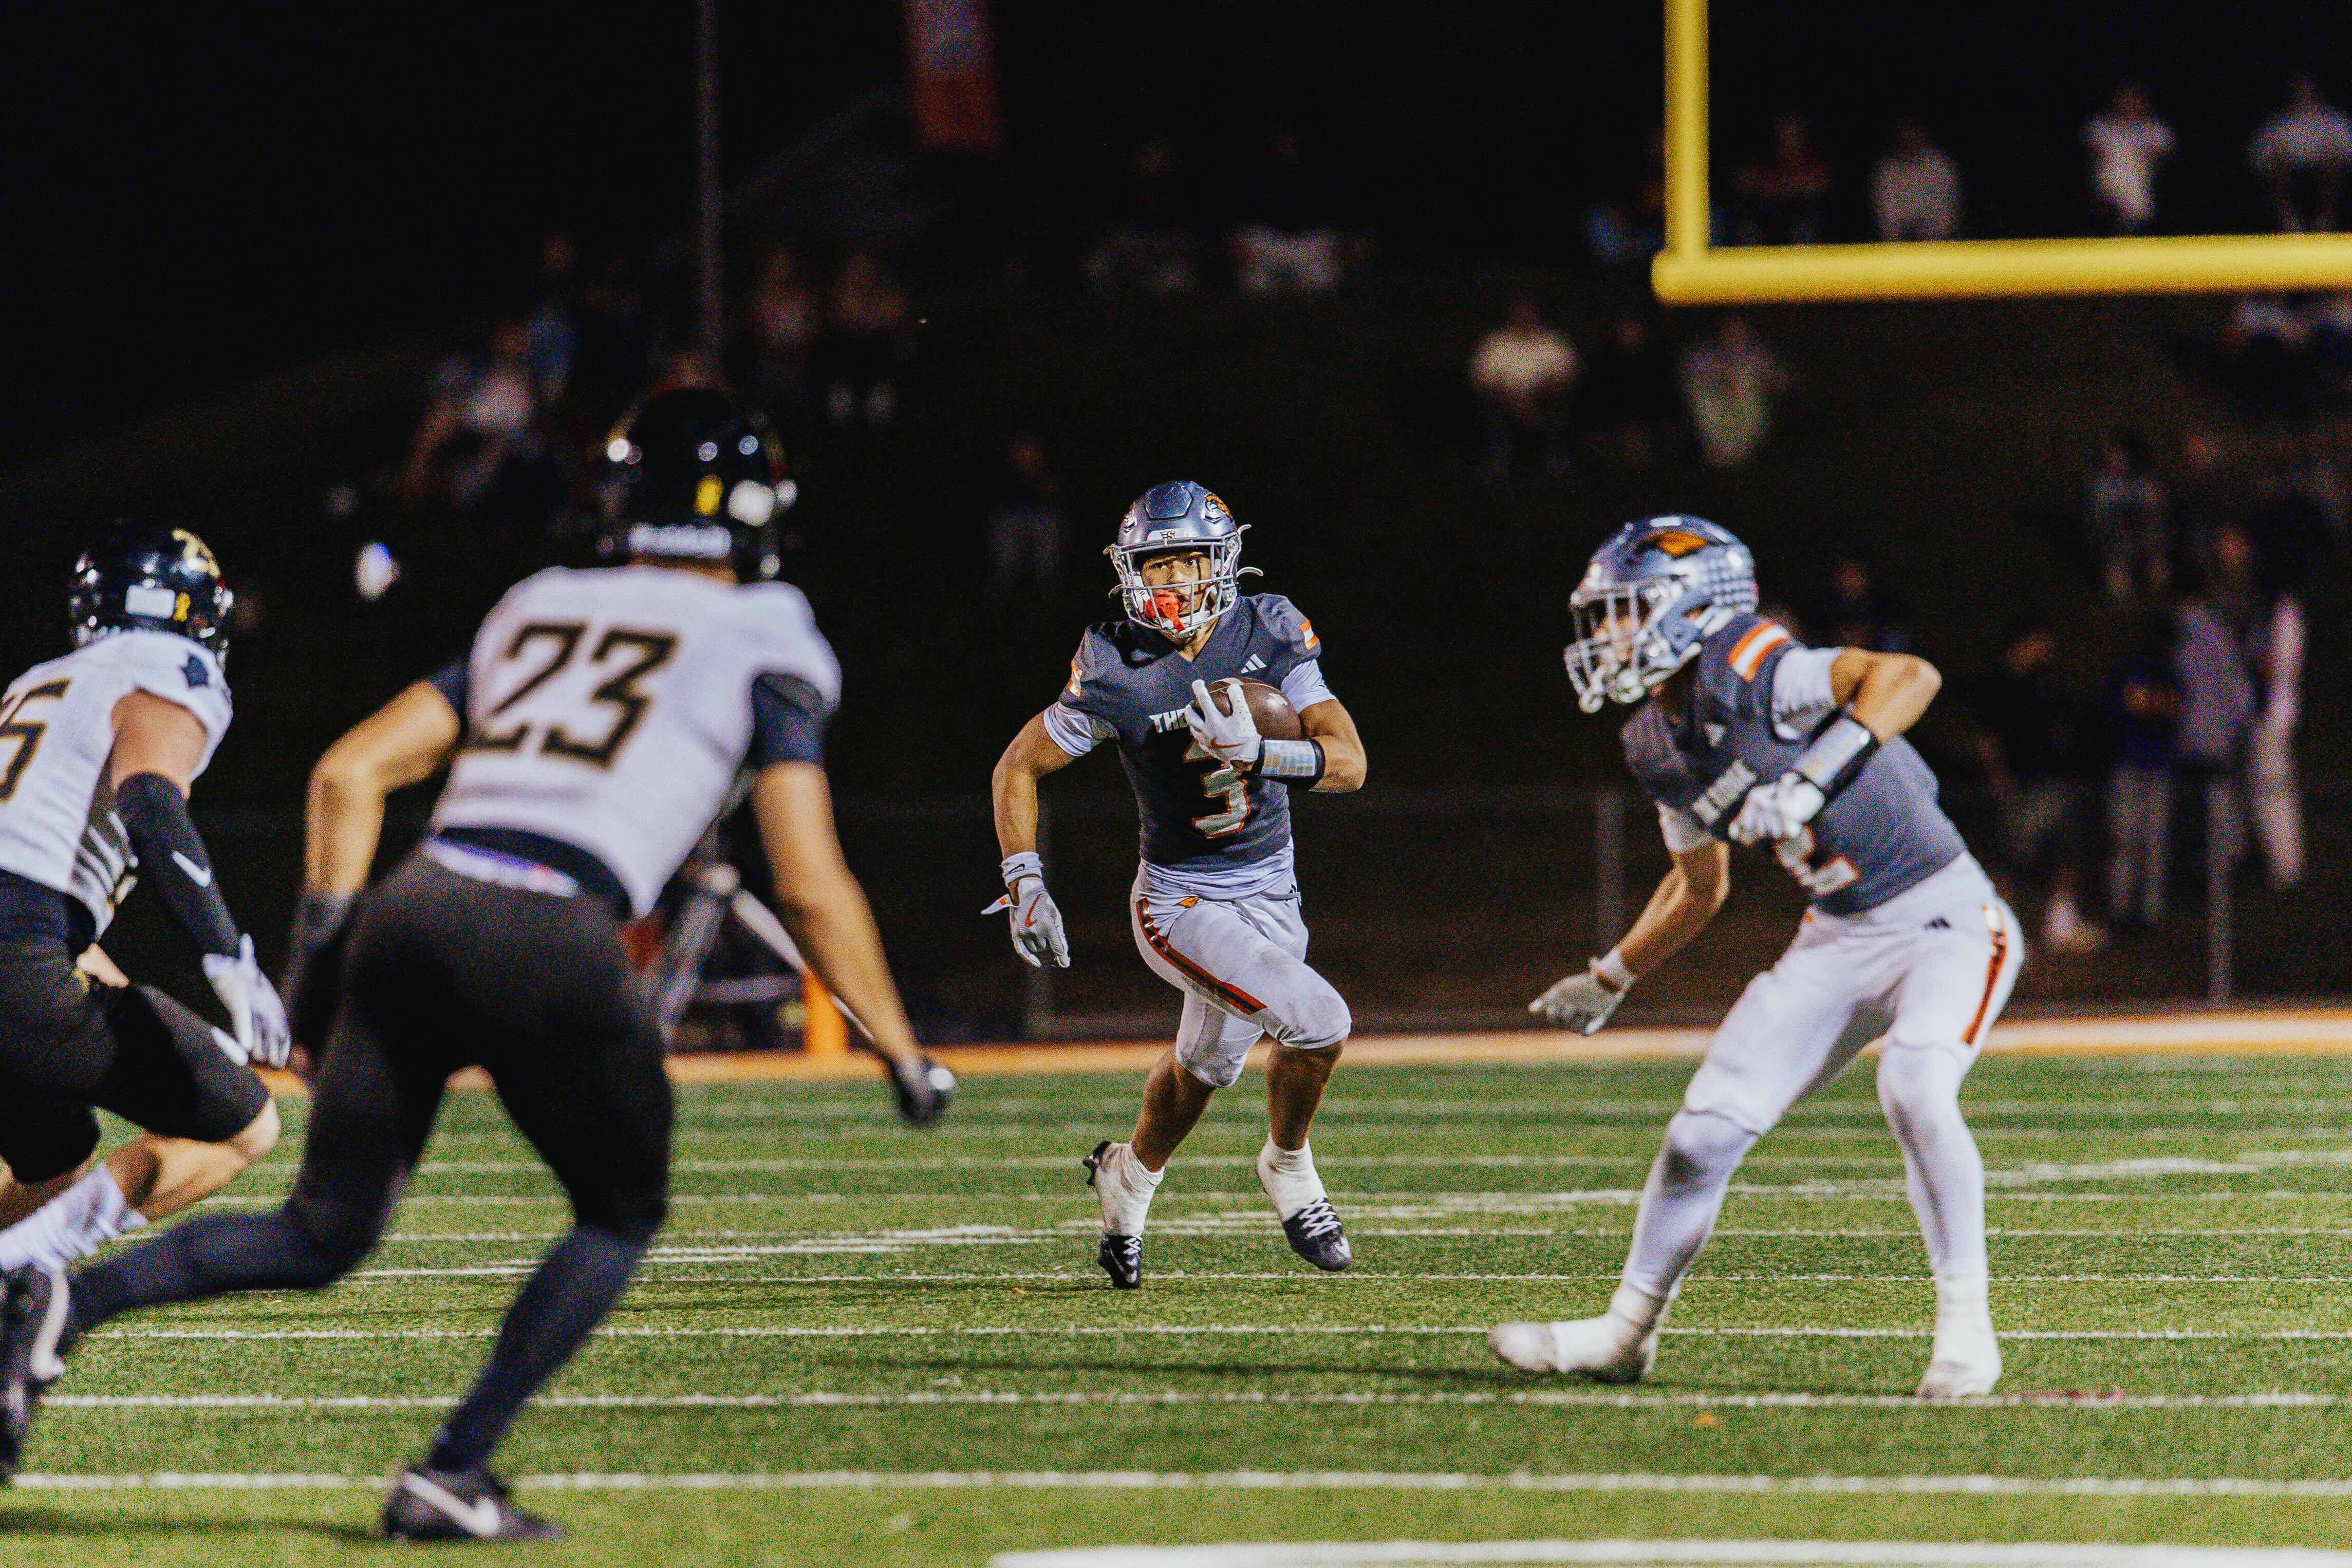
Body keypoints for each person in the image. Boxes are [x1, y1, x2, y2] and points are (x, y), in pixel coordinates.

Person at [0, 391, 954, 1539]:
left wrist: (316, 970)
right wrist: (899, 1048)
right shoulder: (773, 630)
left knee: (320, 1229)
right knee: (620, 1209)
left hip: (413, 909)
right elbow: (807, 880)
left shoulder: (539, 604)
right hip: (551, 926)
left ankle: (62, 1287)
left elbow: (351, 774)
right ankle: (453, 1467)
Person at [1497, 516, 2023, 1399]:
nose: (1603, 637)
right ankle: (1624, 1334)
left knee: (1914, 1085)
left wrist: (1812, 777)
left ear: (1692, 604)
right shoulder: (1653, 742)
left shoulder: (1755, 666)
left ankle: (1967, 1334)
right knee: (1700, 1135)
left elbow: (1906, 675)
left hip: (1946, 917)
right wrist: (1611, 975)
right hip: (1838, 935)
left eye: (1622, 613)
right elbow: (1697, 887)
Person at [989, 482, 1368, 1290]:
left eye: (1186, 565)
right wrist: (1023, 878)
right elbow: (1020, 763)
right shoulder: (1116, 663)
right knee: (1319, 1021)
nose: (1169, 587)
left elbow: (1350, 763)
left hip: (1272, 890)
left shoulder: (1269, 629)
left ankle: (1126, 1180)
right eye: (1153, 568)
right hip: (1180, 898)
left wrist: (1263, 755)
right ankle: (1289, 1168)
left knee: (1205, 1069)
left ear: (1221, 565)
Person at [0, 524, 285, 1332]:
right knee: (244, 1123)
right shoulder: (169, 668)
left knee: (55, 1157)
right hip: (17, 952)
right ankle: (25, 1285)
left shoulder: (40, 681)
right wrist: (226, 953)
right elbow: (152, 802)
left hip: (24, 943)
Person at [1971, 617, 2102, 953]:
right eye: (2041, 643)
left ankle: (2060, 926)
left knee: (2067, 850)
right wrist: (1998, 779)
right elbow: (1986, 738)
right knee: (2008, 860)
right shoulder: (1999, 684)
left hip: (2051, 782)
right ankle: (2004, 940)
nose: (2047, 651)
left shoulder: (2045, 682)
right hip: (2018, 785)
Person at [2102, 614, 2181, 929]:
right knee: (2126, 841)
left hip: (2157, 766)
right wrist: (2152, 704)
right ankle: (2121, 912)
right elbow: (2128, 706)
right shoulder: (2129, 669)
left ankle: (2150, 915)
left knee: (2154, 842)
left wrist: (2153, 704)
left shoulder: (2170, 672)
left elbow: (2172, 709)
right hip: (2129, 763)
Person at [1470, 291, 1578, 484]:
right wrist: (1515, 402)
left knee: (1563, 406)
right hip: (1504, 401)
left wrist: (1535, 401)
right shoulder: (1495, 343)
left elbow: (1567, 375)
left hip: (1544, 399)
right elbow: (1481, 379)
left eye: (1529, 313)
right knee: (1488, 410)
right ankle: (1498, 461)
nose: (1524, 318)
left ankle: (1557, 461)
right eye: (1519, 313)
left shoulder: (1553, 341)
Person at [1681, 315, 1792, 468]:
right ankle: (1723, 451)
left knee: (1745, 377)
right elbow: (1690, 378)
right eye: (1730, 330)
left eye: (1739, 331)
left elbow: (1783, 382)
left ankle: (1739, 451)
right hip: (1717, 417)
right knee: (1698, 389)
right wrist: (1719, 377)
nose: (1735, 335)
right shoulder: (1704, 355)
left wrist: (1760, 378)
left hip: (1745, 423)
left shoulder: (1754, 357)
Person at [2249, 73, 2352, 234]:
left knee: (2335, 170)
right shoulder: (2278, 125)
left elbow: (2346, 153)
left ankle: (2324, 220)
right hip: (2292, 178)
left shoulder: (2334, 121)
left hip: (2323, 176)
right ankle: (2289, 221)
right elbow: (2260, 158)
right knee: (2277, 173)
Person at [1730, 113, 1833, 246]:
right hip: (1767, 217)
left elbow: (1820, 182)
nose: (1788, 133)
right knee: (1747, 230)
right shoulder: (1766, 158)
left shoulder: (1813, 159)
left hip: (1800, 219)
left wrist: (1781, 187)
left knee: (1805, 229)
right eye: (1784, 128)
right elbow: (1741, 179)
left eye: (1793, 128)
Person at [2083, 82, 2172, 234]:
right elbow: (2091, 155)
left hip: (2141, 194)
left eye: (2134, 99)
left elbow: (2162, 160)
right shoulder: (2101, 128)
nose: (2129, 103)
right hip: (2106, 194)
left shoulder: (2155, 130)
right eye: (2125, 99)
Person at [1871, 118, 1961, 241]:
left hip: (1938, 243)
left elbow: (1947, 210)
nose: (1907, 139)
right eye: (1902, 135)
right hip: (1899, 246)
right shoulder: (1887, 172)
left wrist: (1931, 232)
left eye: (1911, 133)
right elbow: (1887, 216)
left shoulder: (1939, 167)